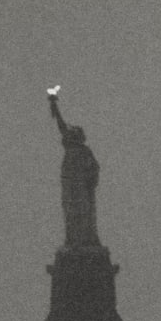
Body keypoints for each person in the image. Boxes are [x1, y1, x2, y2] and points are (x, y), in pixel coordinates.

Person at [48, 90, 100, 246]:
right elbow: (61, 125)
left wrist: (91, 177)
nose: (70, 135)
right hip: (70, 184)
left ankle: (85, 238)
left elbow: (95, 168)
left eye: (74, 133)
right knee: (70, 210)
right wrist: (54, 106)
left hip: (81, 186)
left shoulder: (85, 151)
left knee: (83, 211)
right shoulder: (72, 150)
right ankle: (73, 238)